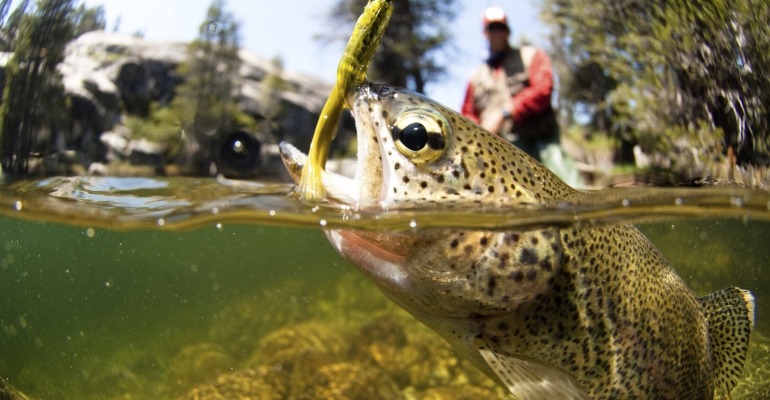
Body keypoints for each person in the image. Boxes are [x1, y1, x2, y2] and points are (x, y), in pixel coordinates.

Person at [461, 6, 581, 186]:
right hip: (499, 157)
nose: (497, 33)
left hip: (542, 145)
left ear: (508, 31)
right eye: (492, 29)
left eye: (501, 28)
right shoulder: (475, 77)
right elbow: (467, 114)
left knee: (569, 191)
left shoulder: (532, 56)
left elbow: (543, 89)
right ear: (485, 33)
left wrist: (506, 112)